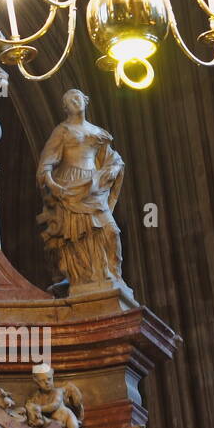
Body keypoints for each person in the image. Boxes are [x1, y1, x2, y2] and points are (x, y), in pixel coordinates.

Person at [36, 89, 125, 289]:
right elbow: (46, 164)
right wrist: (54, 187)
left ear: (85, 101)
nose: (75, 102)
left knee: (111, 232)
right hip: (70, 186)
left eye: (77, 98)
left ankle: (113, 275)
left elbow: (112, 157)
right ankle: (88, 279)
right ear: (65, 108)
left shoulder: (97, 132)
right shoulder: (62, 131)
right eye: (69, 101)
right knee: (78, 236)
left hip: (93, 185)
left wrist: (113, 169)